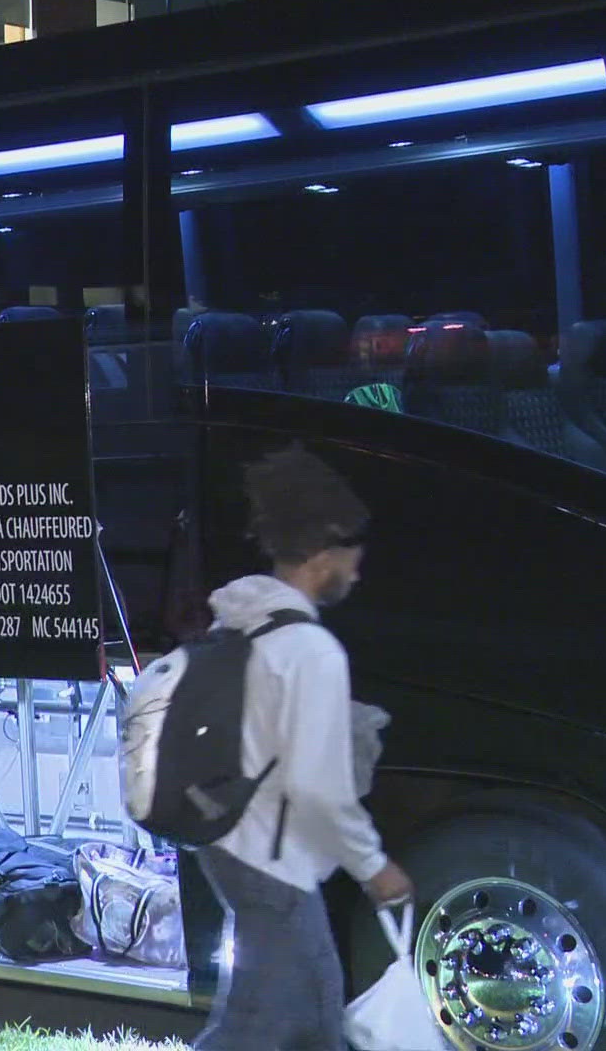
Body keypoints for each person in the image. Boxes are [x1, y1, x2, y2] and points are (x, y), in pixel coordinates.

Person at [191, 446, 412, 1051]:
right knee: (302, 1016)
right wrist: (376, 868)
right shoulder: (310, 650)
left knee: (275, 1017)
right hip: (271, 856)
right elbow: (319, 789)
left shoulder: (239, 620)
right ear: (321, 555)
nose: (356, 574)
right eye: (350, 560)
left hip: (229, 842)